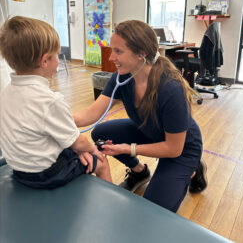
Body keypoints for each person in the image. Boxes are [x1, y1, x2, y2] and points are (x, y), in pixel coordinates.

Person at [74, 20, 207, 212]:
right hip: (150, 131)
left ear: (141, 54)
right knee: (100, 133)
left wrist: (129, 149)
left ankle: (192, 170)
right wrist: (60, 121)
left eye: (118, 51)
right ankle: (140, 173)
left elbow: (172, 148)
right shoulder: (122, 76)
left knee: (153, 212)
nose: (111, 58)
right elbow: (93, 112)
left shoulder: (170, 89)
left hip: (181, 148)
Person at [0, 16, 112, 189]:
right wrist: (91, 149)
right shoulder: (50, 101)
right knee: (101, 162)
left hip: (20, 170)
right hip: (46, 174)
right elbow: (79, 141)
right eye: (57, 55)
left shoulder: (6, 93)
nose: (59, 59)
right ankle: (112, 207)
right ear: (45, 61)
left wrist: (78, 148)